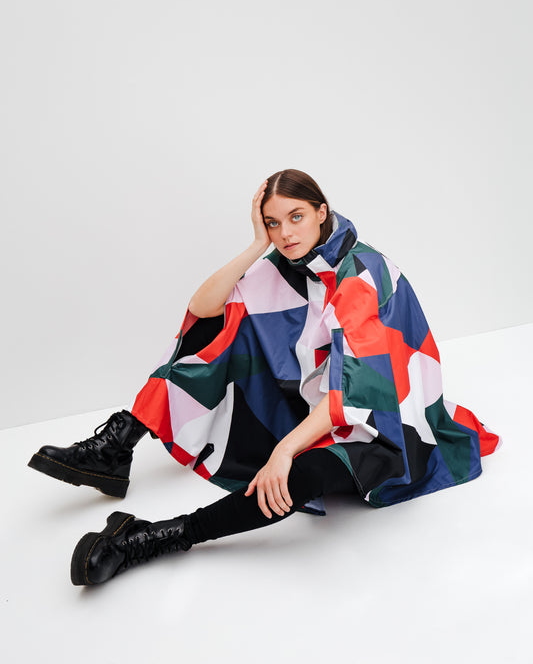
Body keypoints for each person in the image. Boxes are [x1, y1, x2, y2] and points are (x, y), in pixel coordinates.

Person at [28, 169, 500, 587]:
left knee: (300, 477)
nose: (286, 233)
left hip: (383, 425)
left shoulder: (362, 273)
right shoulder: (291, 264)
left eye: (296, 217)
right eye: (274, 223)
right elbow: (203, 307)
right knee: (219, 326)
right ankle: (118, 446)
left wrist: (284, 451)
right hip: (317, 402)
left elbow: (351, 395)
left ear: (321, 212)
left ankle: (157, 536)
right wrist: (257, 245)